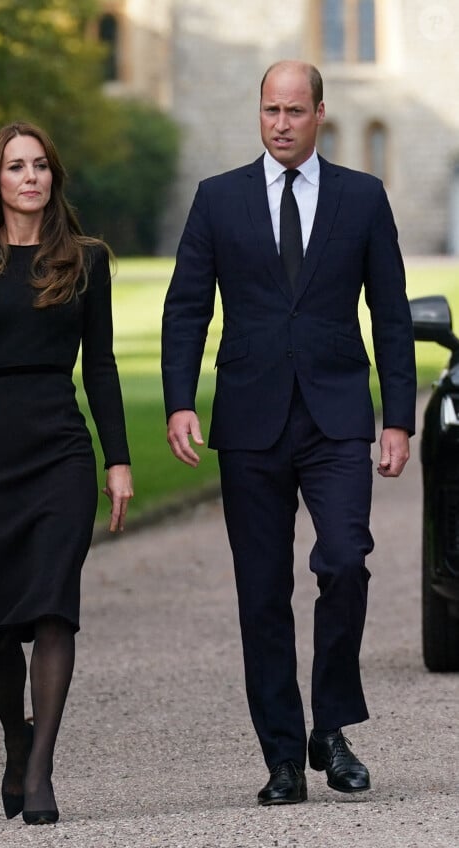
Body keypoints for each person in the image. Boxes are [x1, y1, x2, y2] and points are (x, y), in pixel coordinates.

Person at [161, 60, 416, 805]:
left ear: (320, 114)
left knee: (344, 563)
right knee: (262, 591)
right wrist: (181, 401)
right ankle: (281, 757)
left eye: (295, 111)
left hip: (337, 416)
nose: (280, 123)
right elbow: (186, 310)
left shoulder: (363, 198)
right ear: (259, 113)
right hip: (249, 419)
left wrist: (396, 417)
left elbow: (392, 315)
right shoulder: (217, 201)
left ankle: (330, 730)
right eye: (270, 110)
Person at [0, 121, 133, 825]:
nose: (30, 178)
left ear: (54, 178)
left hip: (61, 453)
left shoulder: (86, 259)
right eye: (15, 167)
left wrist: (117, 461)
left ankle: (41, 768)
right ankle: (14, 744)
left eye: (40, 166)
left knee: (54, 608)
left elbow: (102, 367)